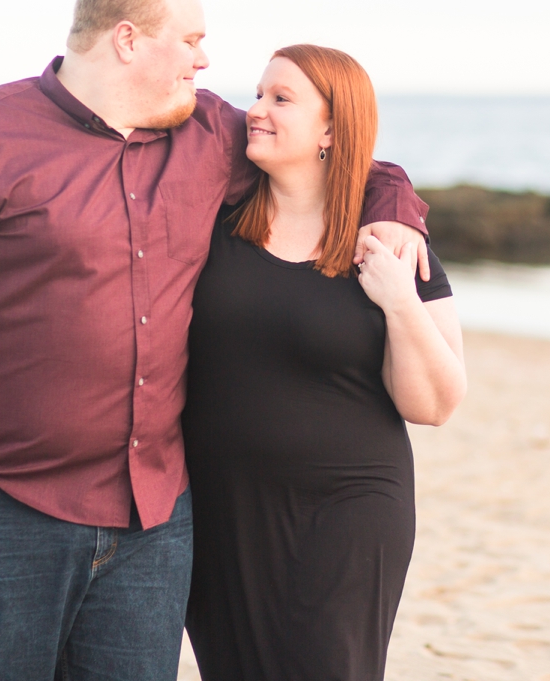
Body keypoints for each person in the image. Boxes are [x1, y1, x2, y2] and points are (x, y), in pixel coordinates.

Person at [0, 0, 432, 681]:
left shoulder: (210, 137)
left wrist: (396, 207)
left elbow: (335, 158)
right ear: (128, 40)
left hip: (152, 520)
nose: (205, 57)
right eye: (190, 39)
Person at [183, 45, 466, 681]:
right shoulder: (214, 224)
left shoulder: (388, 242)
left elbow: (437, 404)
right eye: (257, 94)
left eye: (280, 99)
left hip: (350, 504)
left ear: (332, 129)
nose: (254, 111)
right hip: (223, 512)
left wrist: (400, 302)